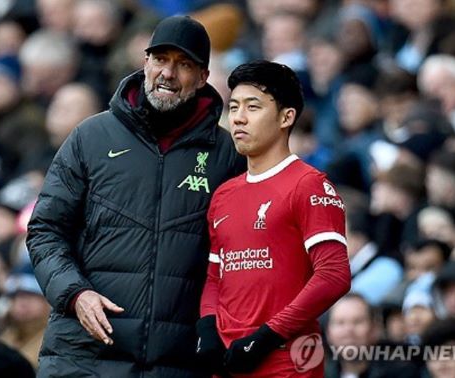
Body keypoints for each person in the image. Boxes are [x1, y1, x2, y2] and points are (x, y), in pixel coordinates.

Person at [26, 15, 244, 377]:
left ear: (204, 77)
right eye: (160, 60)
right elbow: (45, 229)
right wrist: (75, 293)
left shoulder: (227, 155)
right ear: (145, 63)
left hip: (175, 362)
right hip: (83, 356)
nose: (168, 74)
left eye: (184, 64)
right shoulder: (90, 137)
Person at [197, 60, 351, 377]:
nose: (238, 118)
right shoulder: (224, 194)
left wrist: (267, 336)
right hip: (229, 362)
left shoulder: (308, 183)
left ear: (286, 117)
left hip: (285, 361)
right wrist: (207, 327)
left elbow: (334, 275)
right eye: (234, 106)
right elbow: (215, 276)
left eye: (253, 107)